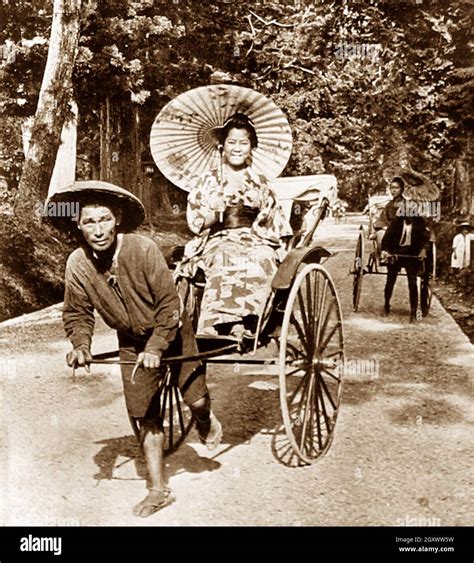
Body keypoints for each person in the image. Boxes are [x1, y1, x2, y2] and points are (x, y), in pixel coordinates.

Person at [59, 181, 222, 518]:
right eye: (89, 222)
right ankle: (159, 489)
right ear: (79, 224)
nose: (98, 230)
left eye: (104, 219)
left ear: (117, 218)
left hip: (172, 331)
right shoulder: (77, 263)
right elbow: (77, 312)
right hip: (131, 343)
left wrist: (158, 345)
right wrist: (80, 345)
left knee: (197, 399)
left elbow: (169, 305)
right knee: (144, 416)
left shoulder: (142, 249)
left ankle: (204, 419)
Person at [176, 113, 292, 338]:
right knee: (223, 257)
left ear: (251, 147)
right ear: (222, 145)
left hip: (255, 238)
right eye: (231, 142)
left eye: (243, 142)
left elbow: (275, 221)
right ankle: (215, 324)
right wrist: (215, 212)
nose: (237, 148)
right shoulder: (208, 180)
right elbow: (196, 222)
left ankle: (248, 323)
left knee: (259, 259)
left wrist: (275, 246)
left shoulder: (261, 182)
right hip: (218, 239)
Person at [381, 215, 430, 322]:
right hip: (396, 253)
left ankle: (413, 311)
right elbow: (386, 238)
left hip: (411, 255)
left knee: (412, 282)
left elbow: (426, 238)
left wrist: (423, 249)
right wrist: (386, 251)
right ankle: (386, 305)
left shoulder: (420, 222)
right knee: (390, 280)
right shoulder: (396, 222)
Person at [374, 176, 407, 255]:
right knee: (381, 234)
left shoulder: (407, 204)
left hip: (403, 230)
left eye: (396, 188)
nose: (394, 190)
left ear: (402, 189)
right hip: (390, 230)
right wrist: (383, 226)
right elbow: (383, 219)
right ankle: (385, 252)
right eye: (392, 188)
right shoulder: (389, 205)